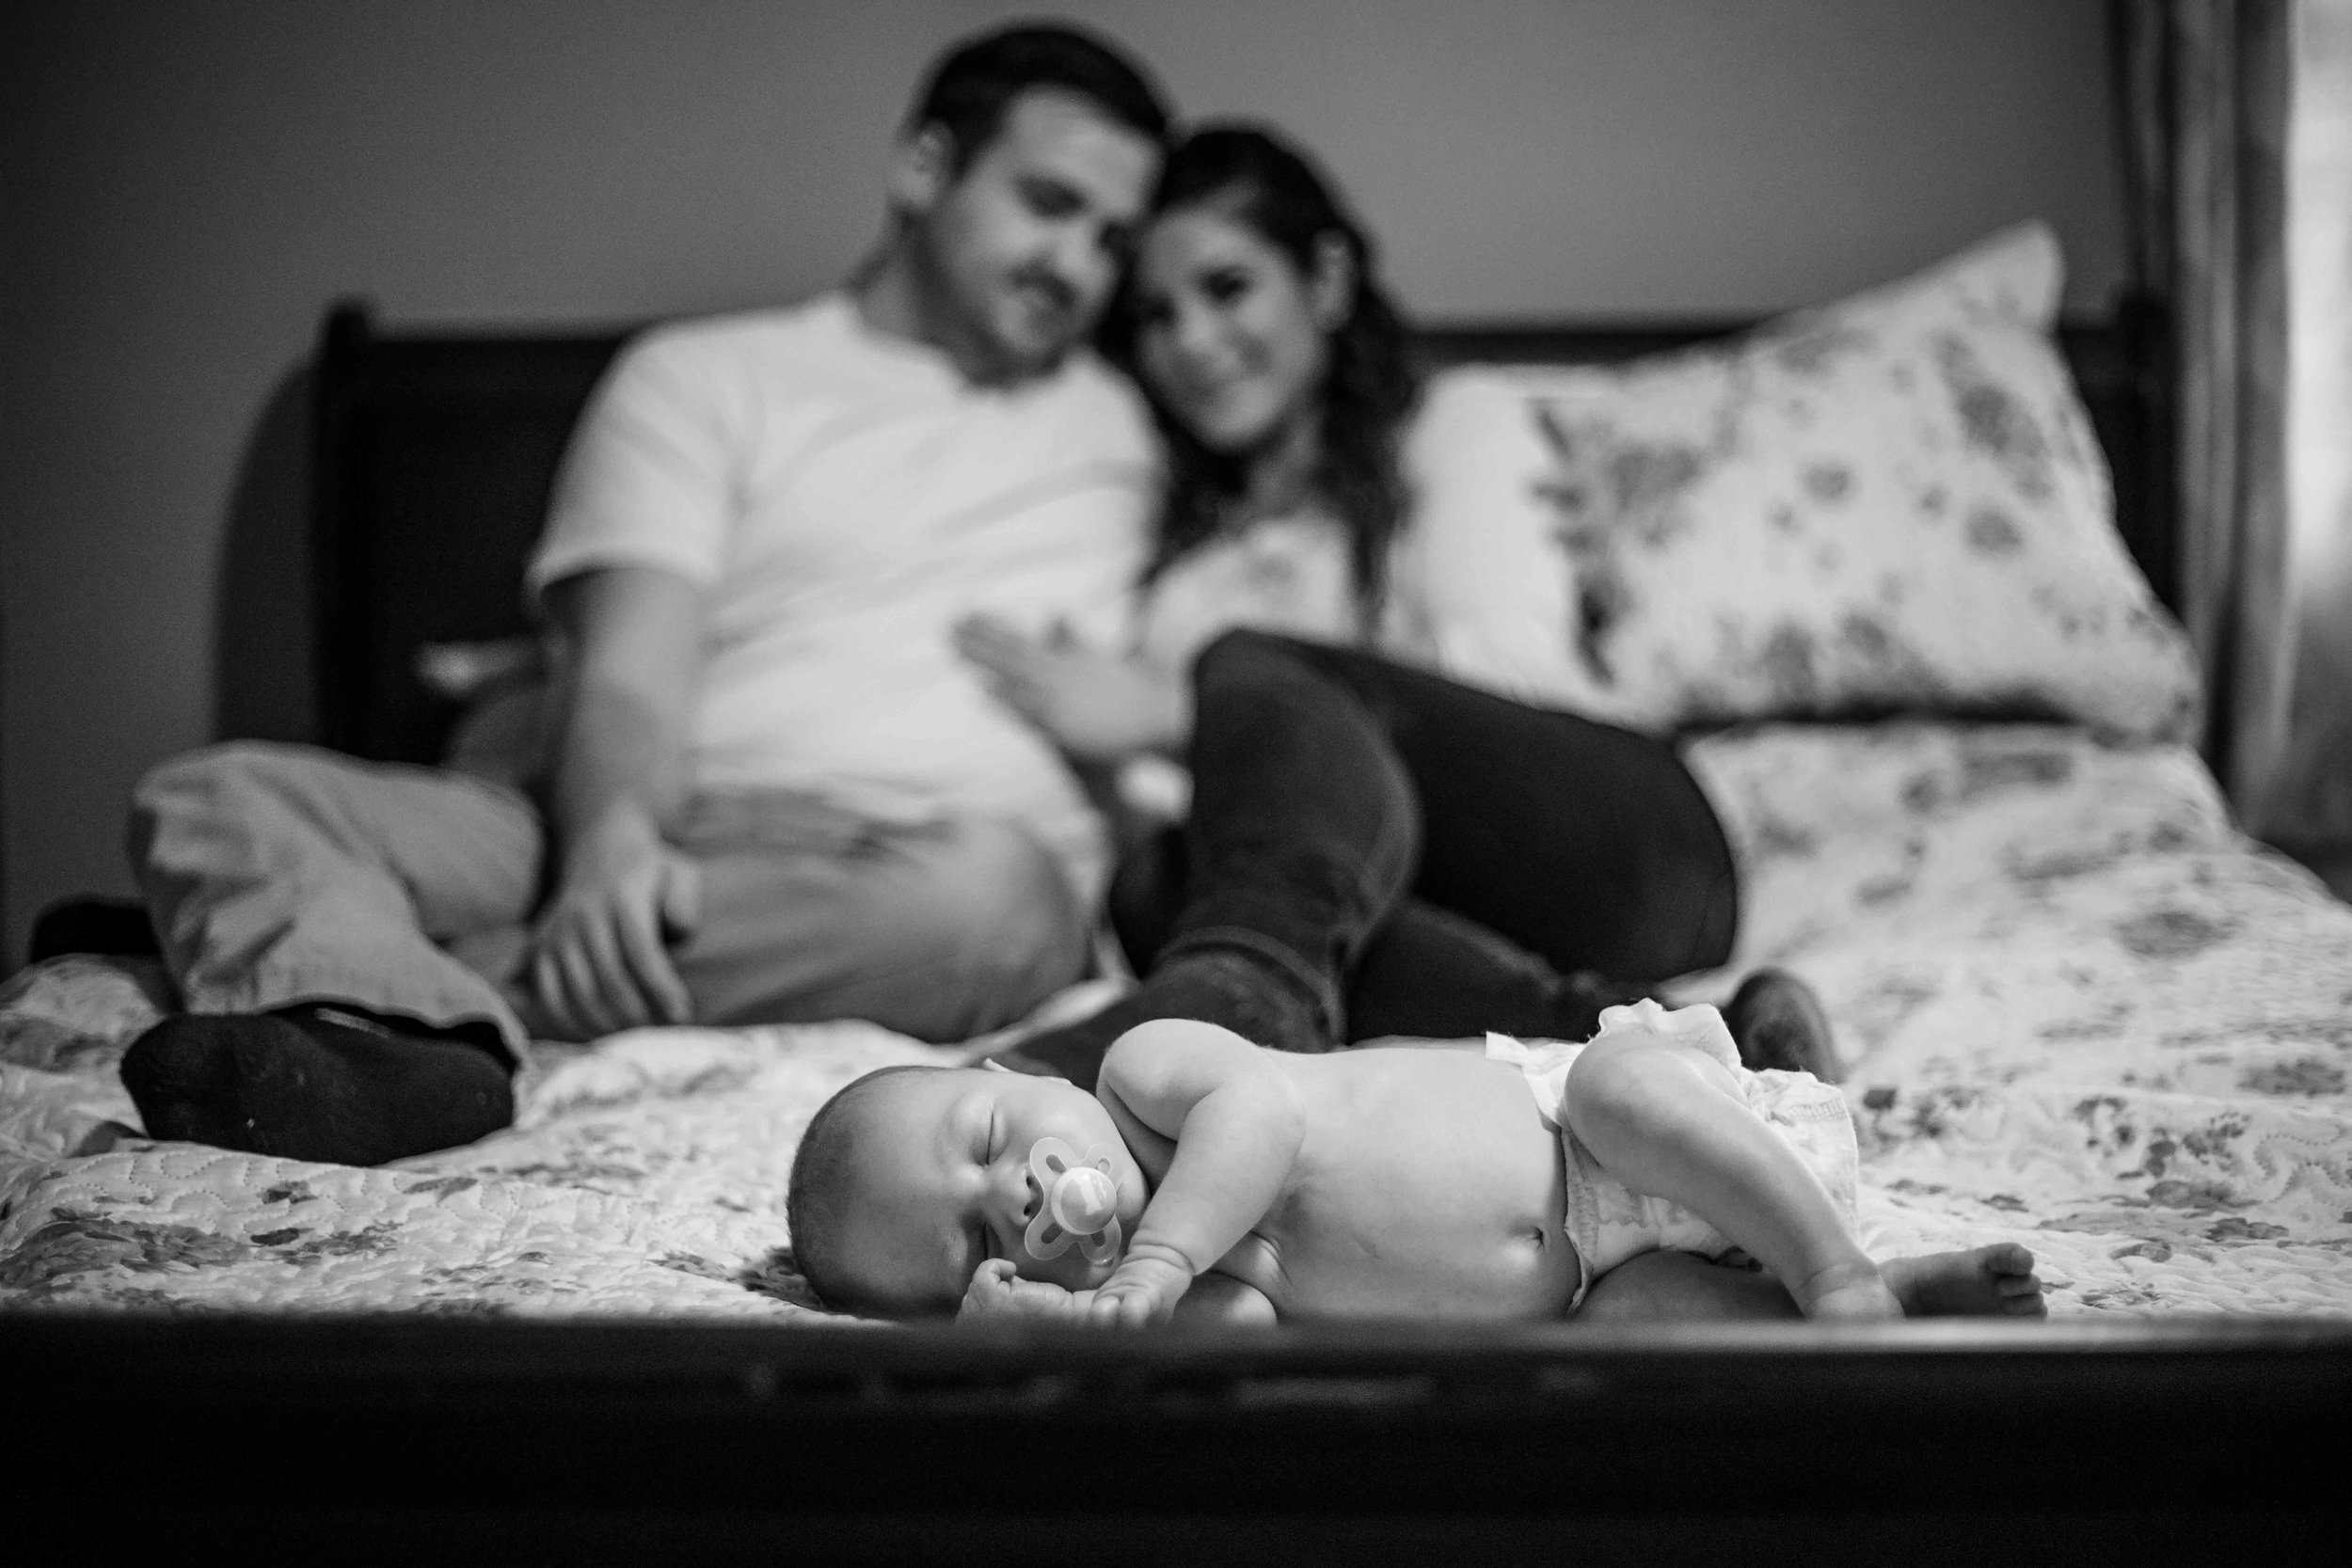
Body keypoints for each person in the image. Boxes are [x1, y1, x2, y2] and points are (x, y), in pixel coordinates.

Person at [116, 24, 1174, 1167]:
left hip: (912, 875)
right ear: (924, 166)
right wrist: (610, 844)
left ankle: (367, 999)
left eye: (1112, 239)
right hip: (649, 806)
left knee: (1001, 909)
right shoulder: (707, 378)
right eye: (1048, 204)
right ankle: (372, 991)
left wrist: (1161, 707)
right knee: (213, 796)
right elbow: (623, 669)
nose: (1078, 265)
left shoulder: (1134, 425)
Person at [953, 126, 1832, 1087]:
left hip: (1619, 845)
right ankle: (1682, 1046)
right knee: (1161, 882)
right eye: (1155, 316)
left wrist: (1171, 710)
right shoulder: (1187, 575)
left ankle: (1235, 997)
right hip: (1392, 902)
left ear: (1325, 281)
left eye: (1227, 287)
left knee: (1244, 682)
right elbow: (1245, 834)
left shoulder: (1455, 426)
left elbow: (1512, 674)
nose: (1192, 342)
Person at [786, 1006, 2049, 1325]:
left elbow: (1264, 1117)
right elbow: (1235, 1341)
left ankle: (1831, 1266)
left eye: (990, 1146)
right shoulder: (1189, 1292)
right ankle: (1893, 1294)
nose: (1010, 1204)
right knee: (1640, 1327)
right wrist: (1081, 1334)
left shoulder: (1145, 1069)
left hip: (1602, 1128)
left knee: (1623, 1084)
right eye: (971, 1243)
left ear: (1022, 1079)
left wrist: (1162, 1252)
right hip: (1594, 1277)